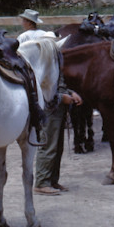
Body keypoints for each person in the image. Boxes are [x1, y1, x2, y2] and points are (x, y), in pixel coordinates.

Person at [16, 10, 83, 196]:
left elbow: (58, 82)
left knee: (57, 144)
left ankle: (52, 179)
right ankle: (42, 181)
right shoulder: (43, 60)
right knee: (49, 144)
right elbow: (44, 87)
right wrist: (62, 97)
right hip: (50, 104)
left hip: (56, 102)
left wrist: (69, 93)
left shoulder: (53, 58)